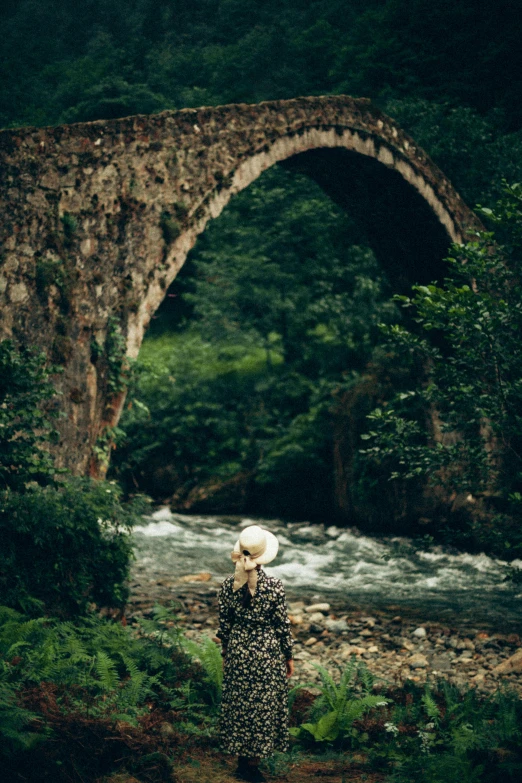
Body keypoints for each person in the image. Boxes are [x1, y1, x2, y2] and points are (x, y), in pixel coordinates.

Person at [217, 524, 294, 782]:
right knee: (261, 706)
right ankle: (252, 766)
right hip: (265, 650)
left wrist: (226, 650)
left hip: (239, 648)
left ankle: (242, 762)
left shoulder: (229, 585)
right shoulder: (274, 586)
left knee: (240, 703)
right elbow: (282, 624)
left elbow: (224, 624)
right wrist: (289, 655)